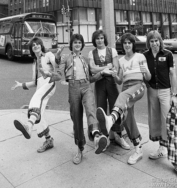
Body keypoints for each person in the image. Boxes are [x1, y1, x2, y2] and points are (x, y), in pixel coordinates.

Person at [96, 33, 151, 165]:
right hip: (126, 87)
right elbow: (120, 81)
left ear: (133, 44)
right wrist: (115, 75)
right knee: (126, 116)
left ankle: (111, 119)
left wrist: (145, 71)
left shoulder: (140, 56)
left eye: (129, 43)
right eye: (125, 43)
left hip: (138, 85)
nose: (127, 45)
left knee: (122, 96)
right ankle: (138, 149)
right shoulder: (120, 61)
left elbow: (148, 78)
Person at [143, 30, 177, 180]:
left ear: (160, 41)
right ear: (148, 42)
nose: (154, 43)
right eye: (151, 41)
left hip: (165, 92)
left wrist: (174, 95)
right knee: (156, 122)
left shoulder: (167, 54)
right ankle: (162, 148)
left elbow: (172, 74)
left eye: (156, 40)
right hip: (151, 92)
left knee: (170, 124)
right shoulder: (145, 55)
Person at [59, 33, 108, 165]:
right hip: (73, 87)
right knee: (76, 117)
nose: (77, 44)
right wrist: (61, 78)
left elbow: (91, 78)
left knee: (91, 109)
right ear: (71, 44)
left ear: (82, 45)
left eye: (79, 43)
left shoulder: (86, 59)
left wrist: (102, 73)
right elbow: (59, 70)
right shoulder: (66, 58)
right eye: (75, 42)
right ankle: (80, 149)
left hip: (86, 87)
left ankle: (96, 135)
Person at [12, 37, 62, 153]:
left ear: (41, 45)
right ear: (31, 49)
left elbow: (56, 62)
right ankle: (48, 140)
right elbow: (35, 82)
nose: (36, 46)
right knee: (40, 113)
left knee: (35, 99)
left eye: (37, 44)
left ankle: (29, 125)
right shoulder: (34, 63)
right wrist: (21, 85)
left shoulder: (48, 55)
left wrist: (58, 55)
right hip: (40, 87)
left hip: (49, 83)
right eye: (33, 45)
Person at [88, 30, 130, 150]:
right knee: (100, 109)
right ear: (94, 40)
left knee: (115, 108)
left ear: (104, 39)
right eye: (97, 39)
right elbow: (92, 69)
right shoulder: (92, 53)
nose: (99, 41)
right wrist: (107, 67)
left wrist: (101, 68)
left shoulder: (112, 51)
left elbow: (115, 68)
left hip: (111, 83)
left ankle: (118, 135)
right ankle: (104, 137)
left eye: (101, 38)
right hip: (99, 83)